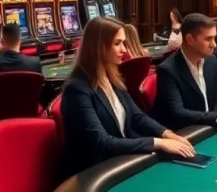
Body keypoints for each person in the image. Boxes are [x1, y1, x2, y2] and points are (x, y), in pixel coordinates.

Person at [61, 17, 194, 177]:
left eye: (124, 43)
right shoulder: (77, 89)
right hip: (94, 172)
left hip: (121, 160)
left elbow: (137, 116)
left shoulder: (113, 78)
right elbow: (101, 142)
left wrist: (167, 133)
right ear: (98, 46)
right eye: (117, 43)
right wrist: (158, 143)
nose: (124, 50)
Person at [153, 13, 217, 132]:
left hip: (208, 129)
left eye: (214, 38)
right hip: (183, 135)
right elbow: (179, 113)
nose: (214, 44)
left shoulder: (212, 61)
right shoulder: (167, 70)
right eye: (208, 39)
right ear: (190, 39)